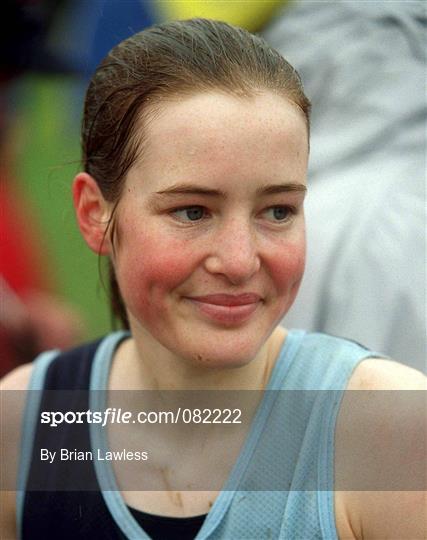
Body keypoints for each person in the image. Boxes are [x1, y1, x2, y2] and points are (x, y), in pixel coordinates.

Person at [1, 18, 425, 540]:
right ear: (94, 214)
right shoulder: (29, 426)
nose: (241, 260)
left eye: (277, 211)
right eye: (193, 212)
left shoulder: (387, 431)